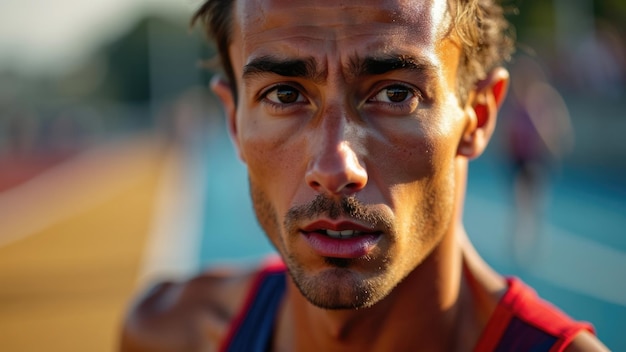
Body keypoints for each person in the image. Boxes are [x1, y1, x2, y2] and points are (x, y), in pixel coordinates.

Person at [121, 0, 608, 350]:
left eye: (396, 94)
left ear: (478, 115)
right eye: (284, 96)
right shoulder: (170, 334)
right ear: (234, 121)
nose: (335, 168)